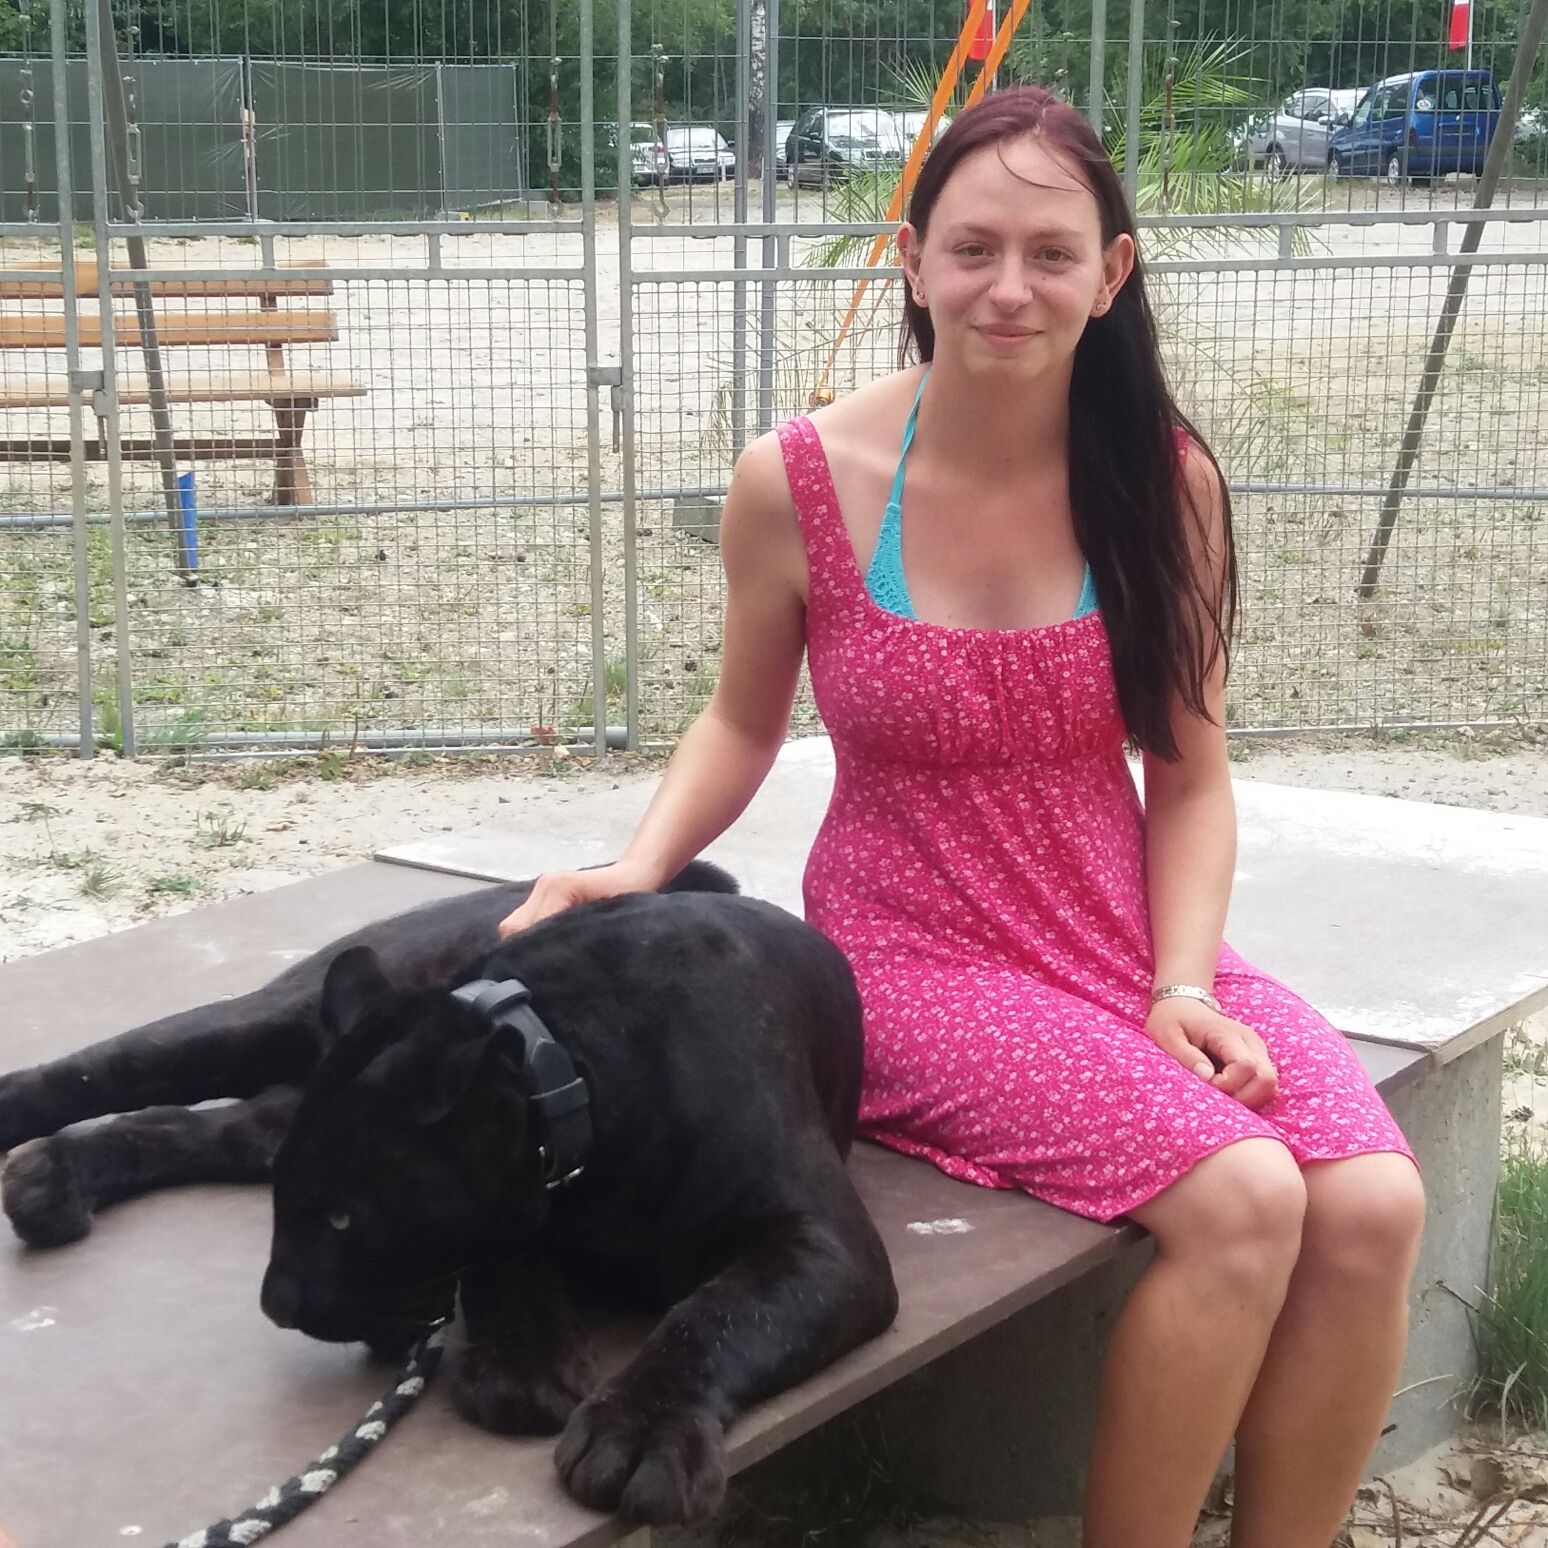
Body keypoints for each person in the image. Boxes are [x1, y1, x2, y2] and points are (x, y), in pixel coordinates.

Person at [500, 87, 1424, 1548]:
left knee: (1371, 1207)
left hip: (1119, 940)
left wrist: (1182, 980)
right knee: (1246, 1199)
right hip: (911, 959)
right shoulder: (799, 479)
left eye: (1052, 254)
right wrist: (640, 863)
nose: (1010, 288)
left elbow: (1190, 773)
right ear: (914, 258)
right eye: (974, 248)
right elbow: (741, 721)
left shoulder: (1164, 479)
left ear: (1111, 274)